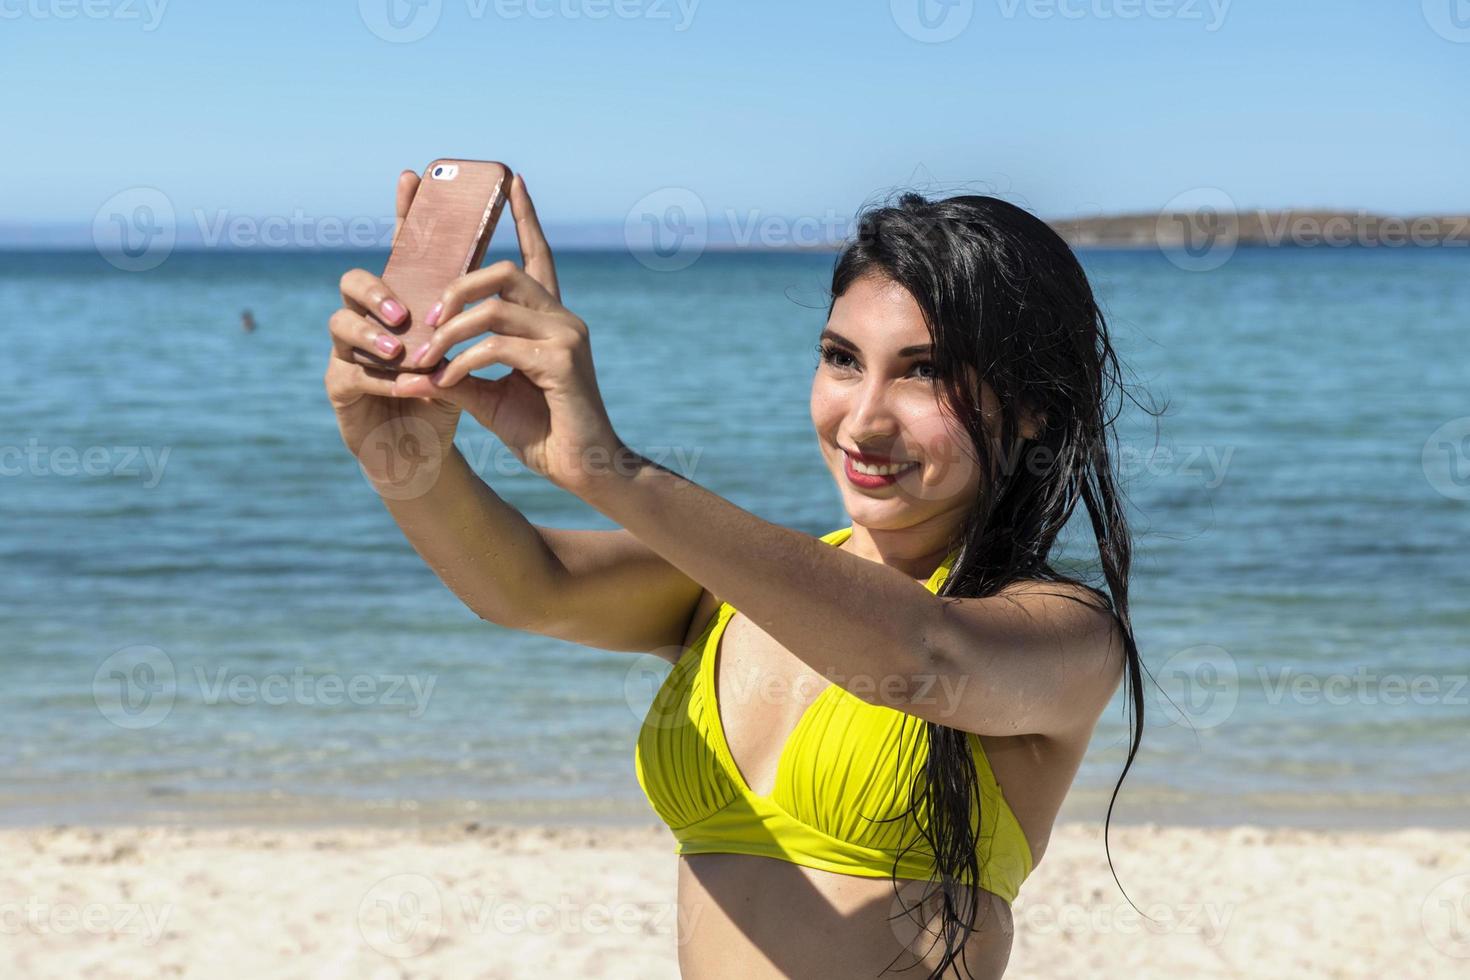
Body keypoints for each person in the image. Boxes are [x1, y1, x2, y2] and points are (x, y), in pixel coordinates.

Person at [324, 171, 1143, 979]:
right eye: (842, 358)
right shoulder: (730, 592)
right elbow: (528, 585)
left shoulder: (1064, 631)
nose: (863, 419)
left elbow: (925, 658)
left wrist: (609, 472)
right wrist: (403, 456)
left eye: (924, 372)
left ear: (1032, 406)